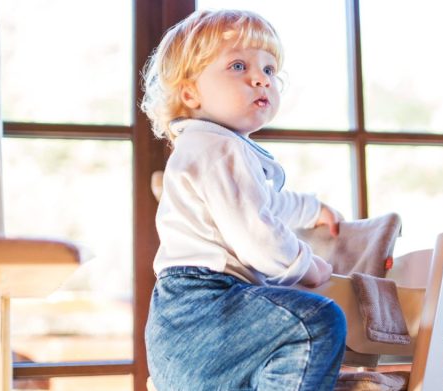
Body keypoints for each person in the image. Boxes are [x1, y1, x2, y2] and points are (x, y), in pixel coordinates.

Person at [140, 9, 347, 391]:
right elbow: (258, 235)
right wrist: (305, 265)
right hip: (205, 308)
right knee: (316, 321)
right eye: (238, 66)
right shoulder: (217, 147)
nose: (260, 79)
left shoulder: (211, 148)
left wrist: (312, 209)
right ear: (190, 92)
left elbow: (265, 206)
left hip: (180, 325)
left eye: (269, 70)